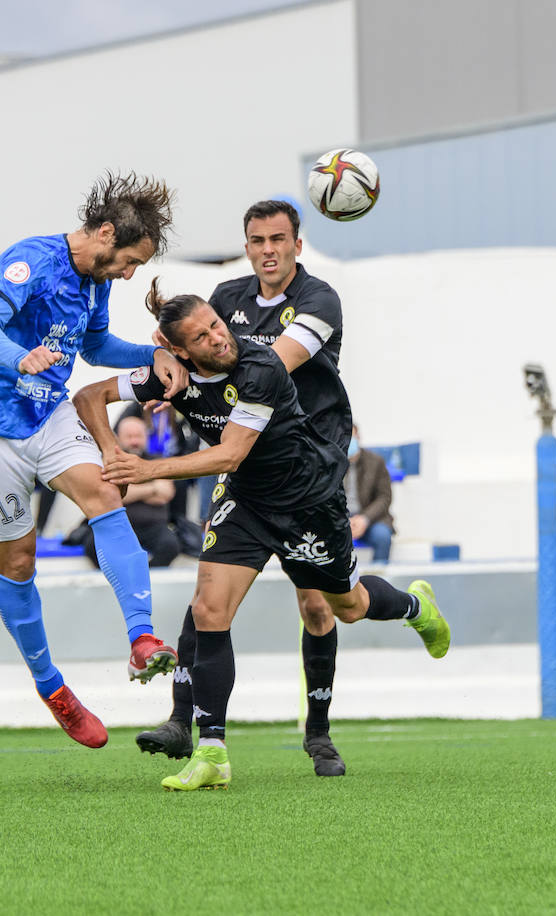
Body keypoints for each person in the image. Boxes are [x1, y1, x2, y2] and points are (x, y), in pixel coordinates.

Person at [72, 280, 451, 790]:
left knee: (348, 607)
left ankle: (414, 608)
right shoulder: (170, 374)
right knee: (209, 608)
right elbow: (88, 395)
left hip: (307, 501)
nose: (218, 337)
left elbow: (229, 453)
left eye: (216, 324)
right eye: (203, 337)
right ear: (178, 352)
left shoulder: (260, 367)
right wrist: (110, 450)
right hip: (246, 500)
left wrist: (145, 470)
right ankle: (212, 752)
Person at [0, 172, 185, 750]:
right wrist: (20, 357)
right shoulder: (30, 259)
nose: (129, 274)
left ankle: (143, 640)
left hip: (47, 414)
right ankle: (52, 687)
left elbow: (95, 347)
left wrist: (155, 352)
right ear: (104, 233)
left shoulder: (94, 282)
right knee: (19, 561)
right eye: (128, 261)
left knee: (108, 490)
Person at [137, 200, 361, 776]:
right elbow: (179, 333)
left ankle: (319, 733)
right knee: (208, 599)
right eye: (257, 239)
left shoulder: (318, 301)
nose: (267, 250)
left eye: (278, 239)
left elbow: (269, 364)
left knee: (324, 606)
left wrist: (188, 362)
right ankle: (184, 724)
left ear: (297, 245)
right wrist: (167, 355)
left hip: (308, 468)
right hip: (243, 474)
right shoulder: (227, 298)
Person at [78, 415, 180, 569]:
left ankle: (144, 577)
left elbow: (165, 493)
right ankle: (122, 577)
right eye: (129, 436)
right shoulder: (106, 463)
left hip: (153, 527)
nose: (134, 441)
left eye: (138, 436)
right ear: (118, 439)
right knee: (92, 546)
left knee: (171, 545)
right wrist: (152, 489)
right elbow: (105, 496)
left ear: (146, 437)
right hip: (115, 527)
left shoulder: (157, 460)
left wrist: (123, 491)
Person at [347, 425, 394, 563]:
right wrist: (342, 520)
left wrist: (364, 519)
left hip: (370, 519)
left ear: (358, 437)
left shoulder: (375, 462)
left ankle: (378, 580)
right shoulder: (332, 463)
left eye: (352, 436)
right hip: (341, 520)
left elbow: (384, 497)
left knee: (382, 536)